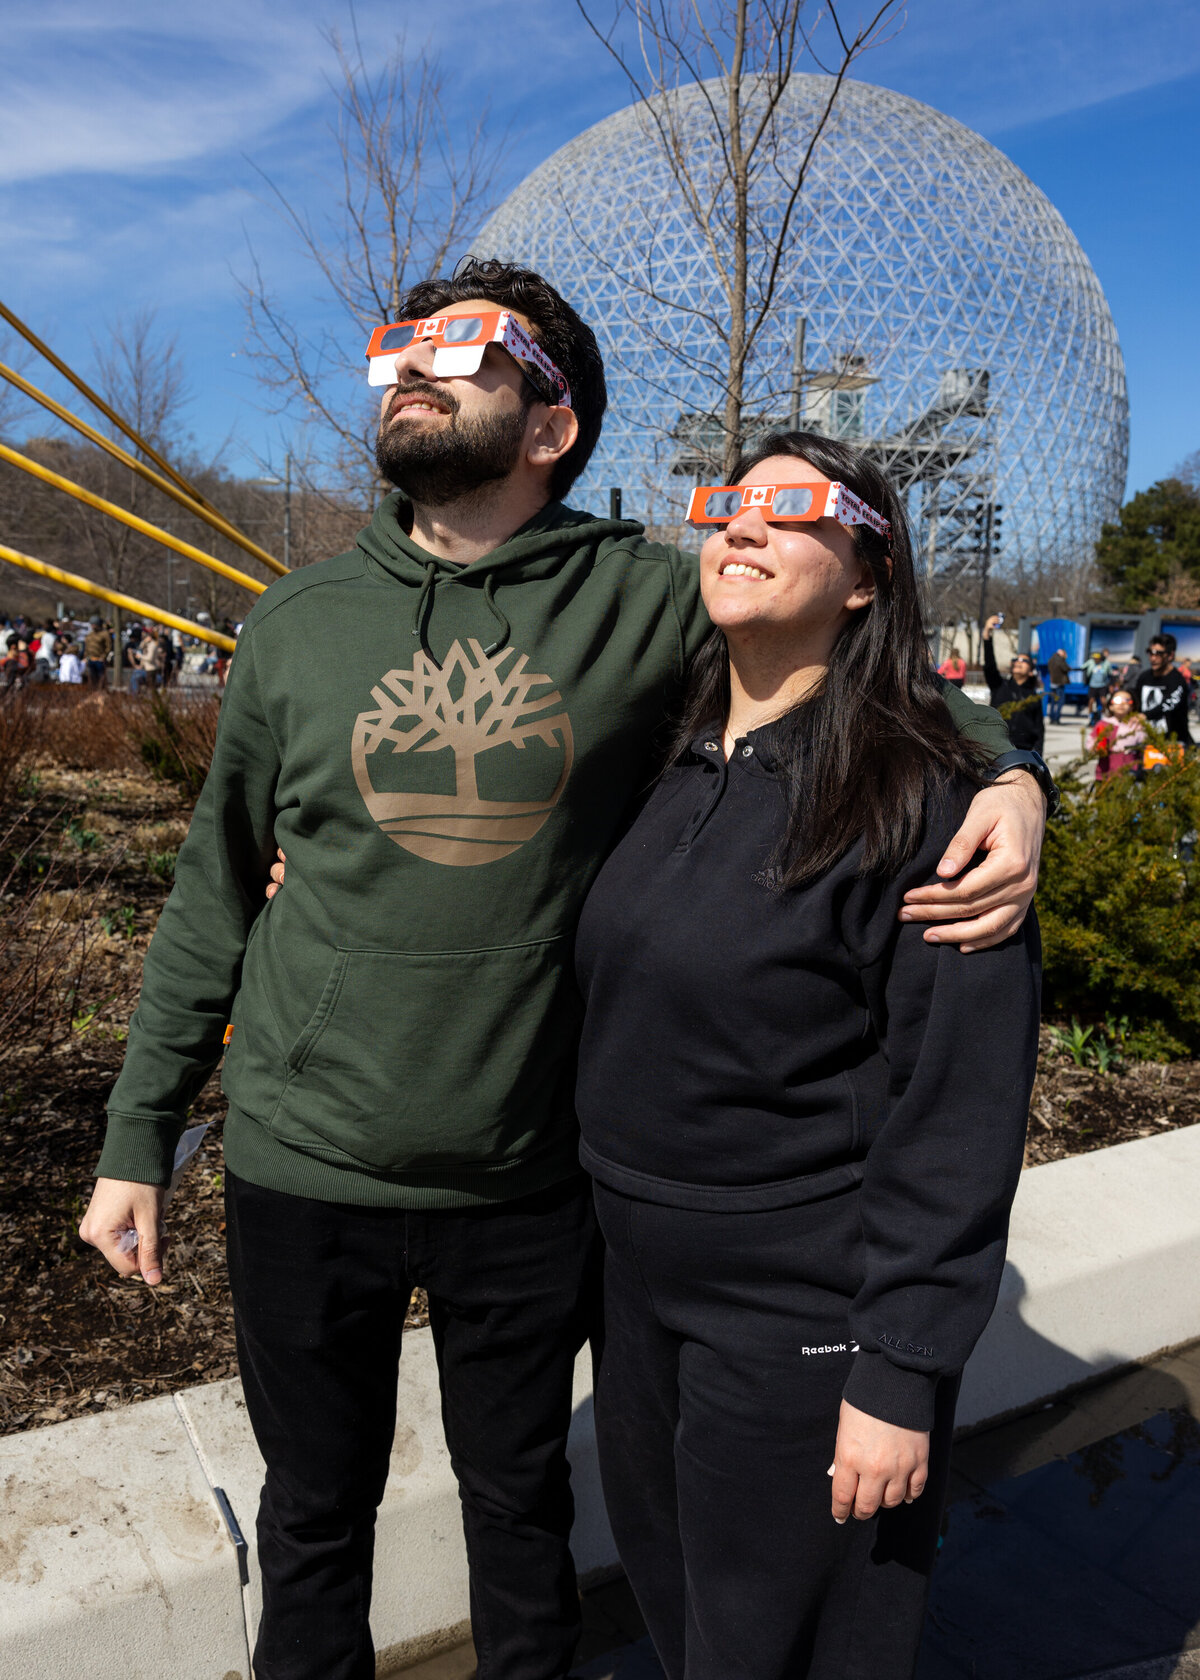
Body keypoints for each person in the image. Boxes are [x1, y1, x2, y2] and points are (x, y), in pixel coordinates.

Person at [81, 259, 1049, 1680]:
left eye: (463, 347)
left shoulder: (646, 600)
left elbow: (863, 663)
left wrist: (1014, 774)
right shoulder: (296, 628)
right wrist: (137, 1135)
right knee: (312, 1526)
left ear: (552, 426)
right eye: (399, 344)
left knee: (524, 1528)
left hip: (528, 1183)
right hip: (301, 1163)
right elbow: (212, 894)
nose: (413, 365)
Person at [575, 432, 1040, 1680]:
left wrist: (899, 1368)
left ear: (866, 575)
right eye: (728, 503)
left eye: (791, 509)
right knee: (683, 1627)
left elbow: (961, 1102)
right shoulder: (662, 762)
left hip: (798, 1313)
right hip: (639, 1300)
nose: (743, 525)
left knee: (788, 1650)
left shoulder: (926, 796)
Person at [982, 616, 1044, 752]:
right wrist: (987, 635)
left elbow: (1039, 731)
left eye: (1024, 660)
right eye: (1016, 659)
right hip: (996, 748)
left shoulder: (1033, 697)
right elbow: (990, 665)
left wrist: (1038, 760)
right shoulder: (999, 686)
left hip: (1023, 752)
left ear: (1031, 672)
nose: (1018, 661)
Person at [1130, 634, 1195, 746]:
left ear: (1170, 655)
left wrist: (1145, 715)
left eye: (1159, 654)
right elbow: (1135, 700)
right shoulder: (1144, 677)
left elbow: (1170, 703)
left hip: (1173, 742)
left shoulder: (1177, 680)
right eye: (1150, 652)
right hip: (1145, 739)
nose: (1153, 658)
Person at [1090, 688, 1146, 780]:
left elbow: (1145, 744)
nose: (1122, 703)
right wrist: (1096, 746)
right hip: (1105, 773)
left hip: (1129, 772)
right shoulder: (1103, 724)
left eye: (1127, 701)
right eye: (1117, 700)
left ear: (1132, 706)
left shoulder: (1136, 725)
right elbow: (1091, 743)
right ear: (1111, 706)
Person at [129, 627, 165, 695]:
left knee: (151, 688)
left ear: (149, 637)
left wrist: (140, 656)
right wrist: (144, 642)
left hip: (151, 670)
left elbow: (149, 658)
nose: (144, 637)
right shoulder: (148, 644)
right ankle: (133, 694)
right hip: (146, 669)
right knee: (135, 674)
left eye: (146, 636)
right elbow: (140, 647)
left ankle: (134, 695)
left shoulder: (152, 645)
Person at [1084, 647, 1112, 723]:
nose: (1095, 660)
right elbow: (1083, 667)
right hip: (1093, 685)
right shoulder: (1091, 663)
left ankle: (1103, 713)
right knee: (1091, 701)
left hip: (1102, 686)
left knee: (1103, 701)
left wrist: (1110, 685)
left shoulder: (1105, 665)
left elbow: (1110, 674)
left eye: (1097, 659)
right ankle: (1090, 715)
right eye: (1094, 659)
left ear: (1100, 659)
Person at [83, 616, 112, 688]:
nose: (93, 626)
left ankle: (100, 692)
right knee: (91, 678)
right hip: (90, 659)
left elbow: (109, 647)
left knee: (101, 678)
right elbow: (86, 647)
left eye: (94, 624)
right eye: (92, 624)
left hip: (99, 660)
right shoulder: (90, 635)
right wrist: (86, 657)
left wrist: (104, 656)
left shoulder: (104, 634)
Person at [1046, 646, 1070, 723]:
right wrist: (1064, 659)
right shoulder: (1060, 660)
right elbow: (1066, 668)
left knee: (1053, 702)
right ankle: (1056, 718)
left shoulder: (1051, 659)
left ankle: (1052, 718)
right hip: (1059, 683)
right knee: (1060, 701)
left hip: (1052, 682)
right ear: (1062, 653)